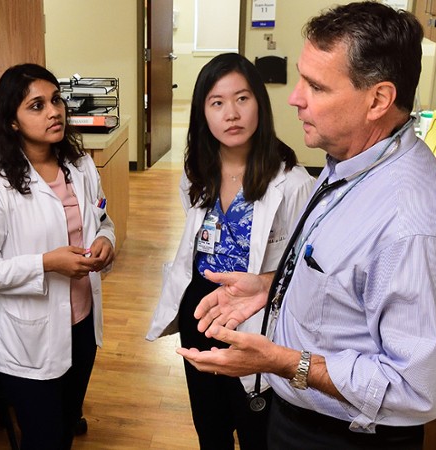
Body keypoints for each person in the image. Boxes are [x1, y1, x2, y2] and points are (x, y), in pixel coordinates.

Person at [178, 3, 436, 449]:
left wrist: (284, 362)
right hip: (298, 413)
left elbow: (417, 389)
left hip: (341, 437)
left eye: (316, 86)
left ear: (378, 99)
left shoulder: (415, 229)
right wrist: (270, 285)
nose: (295, 98)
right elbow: (341, 273)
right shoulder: (351, 165)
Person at [146, 53, 314, 449]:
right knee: (211, 429)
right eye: (217, 103)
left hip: (256, 316)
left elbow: (305, 266)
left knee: (257, 430)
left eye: (242, 99)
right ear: (203, 112)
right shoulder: (196, 174)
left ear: (260, 103)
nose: (231, 114)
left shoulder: (292, 183)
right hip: (201, 315)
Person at [0, 63, 115, 450]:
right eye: (37, 105)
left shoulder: (79, 165)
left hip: (81, 324)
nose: (54, 111)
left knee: (63, 429)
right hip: (28, 338)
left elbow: (102, 219)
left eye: (56, 100)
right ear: (11, 121)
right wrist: (47, 263)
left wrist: (107, 242)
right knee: (42, 438)